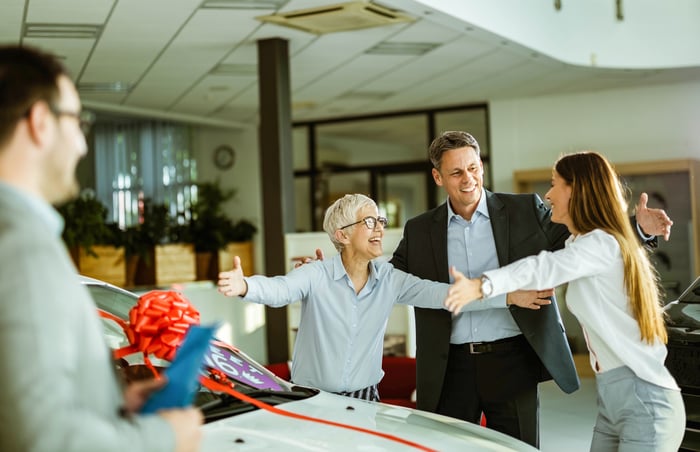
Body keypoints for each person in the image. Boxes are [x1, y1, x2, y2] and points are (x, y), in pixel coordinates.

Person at [389, 131, 674, 447]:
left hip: (512, 361)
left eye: (473, 168)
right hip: (449, 367)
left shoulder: (525, 210)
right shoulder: (419, 230)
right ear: (437, 176)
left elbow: (583, 239)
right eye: (456, 172)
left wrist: (636, 228)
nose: (468, 178)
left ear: (481, 166)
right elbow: (390, 282)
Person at [0, 45, 202, 452]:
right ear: (40, 122)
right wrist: (165, 438)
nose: (82, 145)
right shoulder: (21, 245)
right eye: (77, 121)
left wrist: (112, 405)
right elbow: (40, 439)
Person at [217, 193, 478, 401]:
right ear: (342, 235)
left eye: (380, 221)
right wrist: (244, 285)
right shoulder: (316, 274)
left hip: (365, 399)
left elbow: (439, 295)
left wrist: (492, 290)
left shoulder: (390, 278)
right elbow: (280, 289)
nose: (379, 229)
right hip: (311, 399)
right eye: (368, 222)